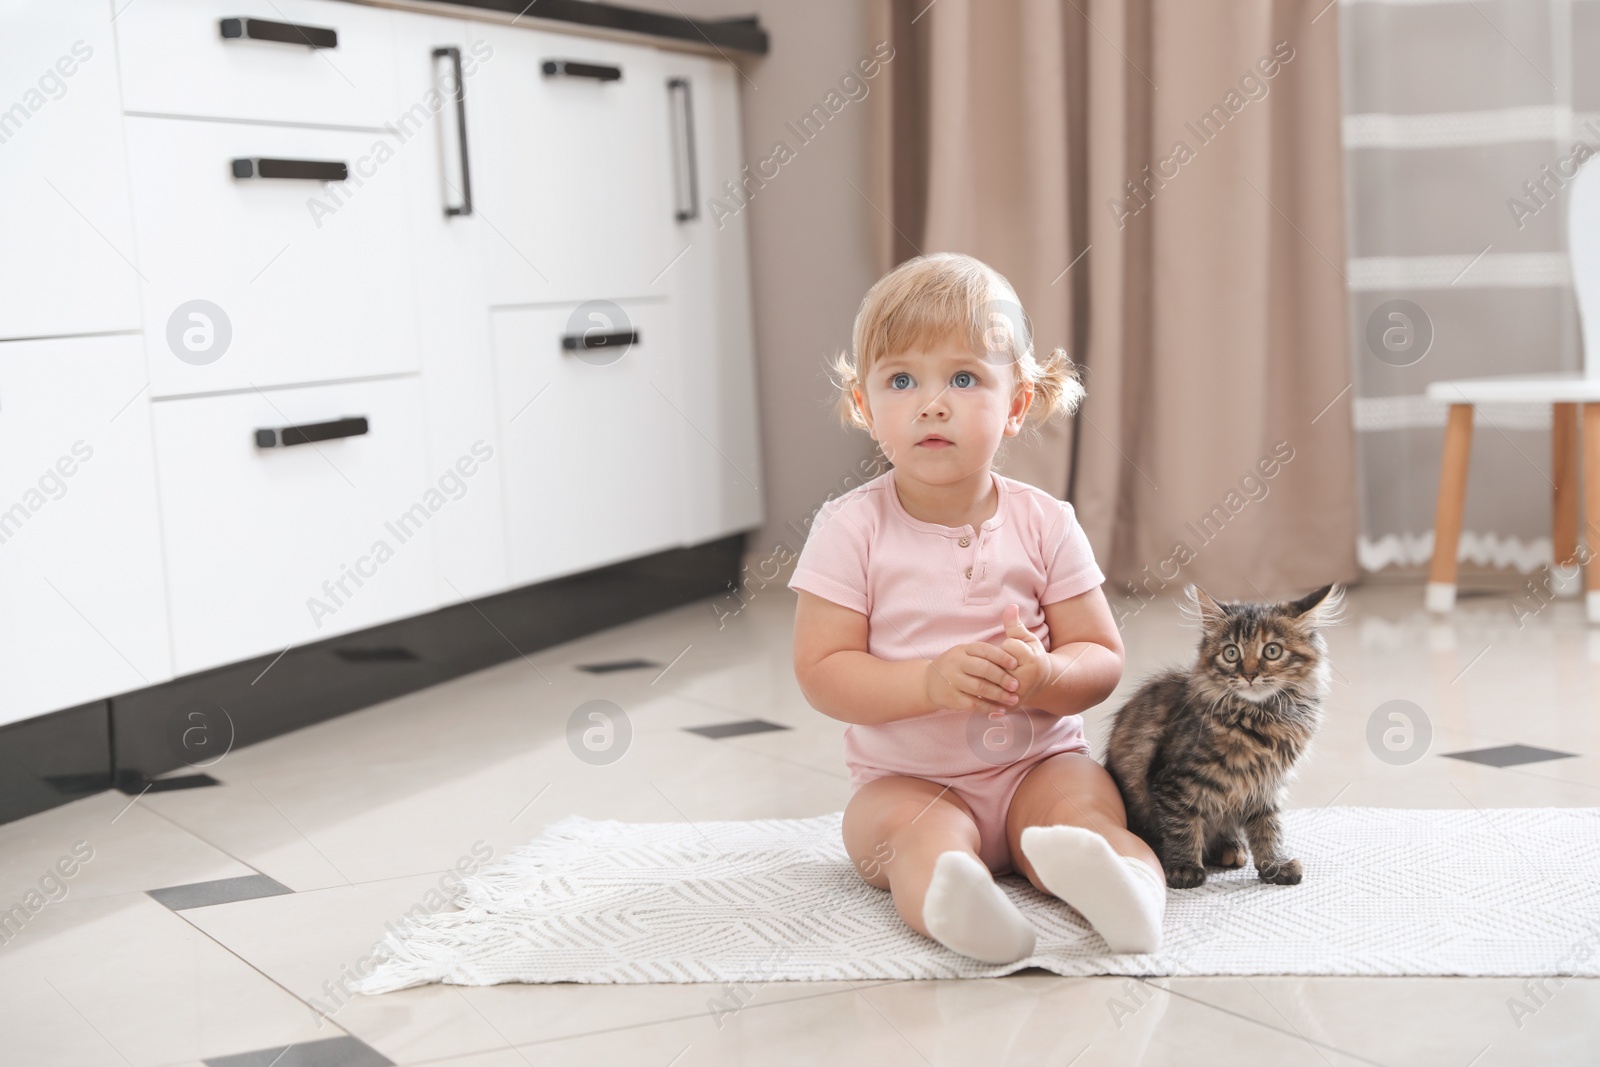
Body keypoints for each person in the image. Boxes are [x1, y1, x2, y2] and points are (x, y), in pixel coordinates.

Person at [788, 252, 1166, 963]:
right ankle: (956, 901)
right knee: (902, 831)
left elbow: (1102, 656)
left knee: (1084, 806)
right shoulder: (849, 528)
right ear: (867, 408)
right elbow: (823, 670)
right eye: (902, 379)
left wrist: (1048, 673)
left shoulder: (1047, 523)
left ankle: (1125, 888)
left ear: (1017, 404)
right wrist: (927, 683)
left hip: (1037, 766)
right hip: (908, 780)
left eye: (964, 377)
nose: (933, 402)